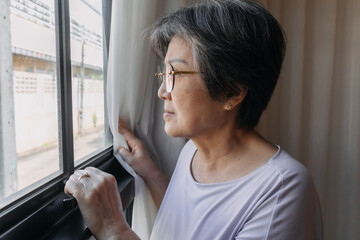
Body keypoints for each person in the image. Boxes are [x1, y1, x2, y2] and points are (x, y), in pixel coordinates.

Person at [65, 0, 323, 239]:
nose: (162, 91)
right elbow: (191, 227)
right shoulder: (193, 151)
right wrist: (151, 173)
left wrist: (114, 229)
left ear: (231, 91)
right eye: (163, 74)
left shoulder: (283, 190)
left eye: (175, 73)